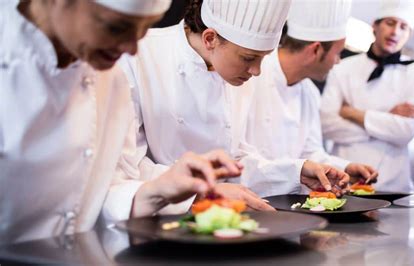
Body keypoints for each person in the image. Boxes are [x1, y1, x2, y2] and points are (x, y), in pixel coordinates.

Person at [0, 0, 240, 245]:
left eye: (143, 30)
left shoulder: (110, 79)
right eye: (116, 27)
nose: (132, 49)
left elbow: (98, 192)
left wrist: (159, 190)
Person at [120, 0, 350, 209]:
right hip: (153, 220)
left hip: (217, 220)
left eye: (263, 58)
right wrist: (202, 192)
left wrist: (295, 171)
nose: (257, 71)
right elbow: (129, 169)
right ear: (210, 39)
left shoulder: (234, 74)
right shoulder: (138, 57)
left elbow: (233, 164)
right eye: (249, 58)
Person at [231, 0, 378, 197]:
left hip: (292, 207)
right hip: (243, 203)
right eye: (337, 53)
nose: (338, 61)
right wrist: (296, 170)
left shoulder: (310, 92)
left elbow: (311, 153)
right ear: (315, 50)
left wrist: (346, 167)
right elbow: (235, 156)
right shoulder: (247, 75)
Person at [320, 0, 414, 191]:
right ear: (375, 25)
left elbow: (405, 132)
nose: (395, 32)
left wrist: (352, 113)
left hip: (396, 186)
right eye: (390, 23)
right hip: (346, 182)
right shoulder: (342, 68)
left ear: (409, 34)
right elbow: (327, 124)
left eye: (403, 27)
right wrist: (387, 118)